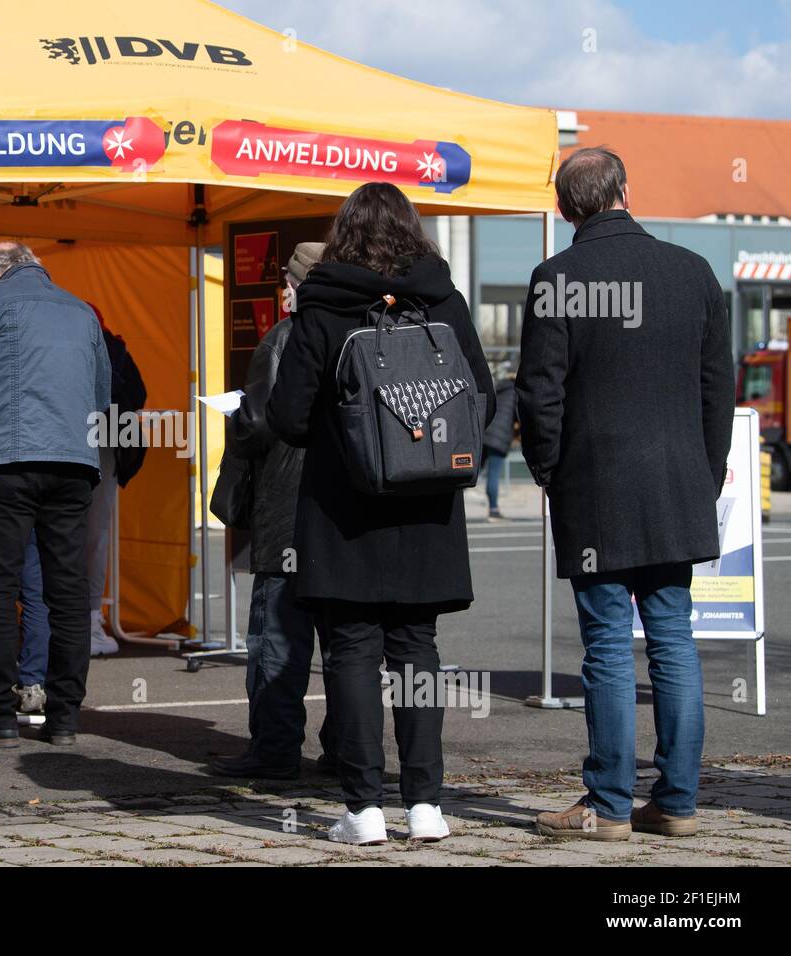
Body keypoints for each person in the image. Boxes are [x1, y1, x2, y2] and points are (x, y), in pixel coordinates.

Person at [267, 183, 495, 845]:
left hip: (344, 506)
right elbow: (478, 393)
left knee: (352, 653)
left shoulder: (323, 305)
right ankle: (426, 804)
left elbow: (286, 416)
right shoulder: (443, 299)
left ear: (344, 235)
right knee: (417, 650)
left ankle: (363, 809)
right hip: (427, 503)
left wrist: (344, 440)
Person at [519, 148, 734, 840]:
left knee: (608, 645)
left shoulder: (557, 278)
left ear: (564, 209)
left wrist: (550, 471)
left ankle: (609, 805)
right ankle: (677, 802)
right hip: (678, 483)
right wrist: (707, 470)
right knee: (674, 637)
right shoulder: (693, 272)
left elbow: (539, 393)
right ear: (625, 192)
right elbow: (715, 390)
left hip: (596, 486)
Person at [0, 241, 112, 748]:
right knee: (68, 593)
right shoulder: (81, 310)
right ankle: (64, 719)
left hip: (5, 466)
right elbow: (102, 395)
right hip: (74, 466)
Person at [211, 241, 331, 781]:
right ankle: (348, 750)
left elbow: (257, 422)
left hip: (286, 507)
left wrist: (237, 417)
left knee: (278, 636)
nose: (281, 288)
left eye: (287, 278)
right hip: (344, 517)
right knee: (346, 643)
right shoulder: (365, 333)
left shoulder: (284, 338)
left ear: (303, 283)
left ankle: (275, 748)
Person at [14, 307, 147, 713]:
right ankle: (81, 639)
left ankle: (50, 645)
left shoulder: (44, 341)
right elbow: (133, 396)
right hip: (92, 454)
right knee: (88, 542)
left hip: (50, 453)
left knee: (48, 551)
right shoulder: (109, 344)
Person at [482, 366, 517, 520]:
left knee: (473, 474)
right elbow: (519, 416)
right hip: (499, 437)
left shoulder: (500, 388)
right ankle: (494, 510)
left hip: (486, 432)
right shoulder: (517, 391)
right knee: (493, 473)